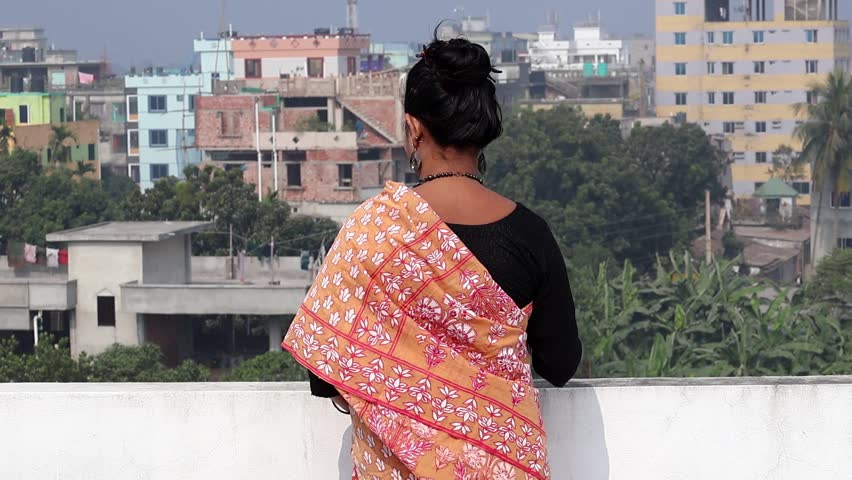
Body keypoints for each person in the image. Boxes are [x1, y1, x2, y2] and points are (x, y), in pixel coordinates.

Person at [282, 30, 581, 480]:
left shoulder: (371, 232)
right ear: (484, 128)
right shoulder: (529, 234)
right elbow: (561, 364)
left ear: (413, 128)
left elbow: (326, 373)